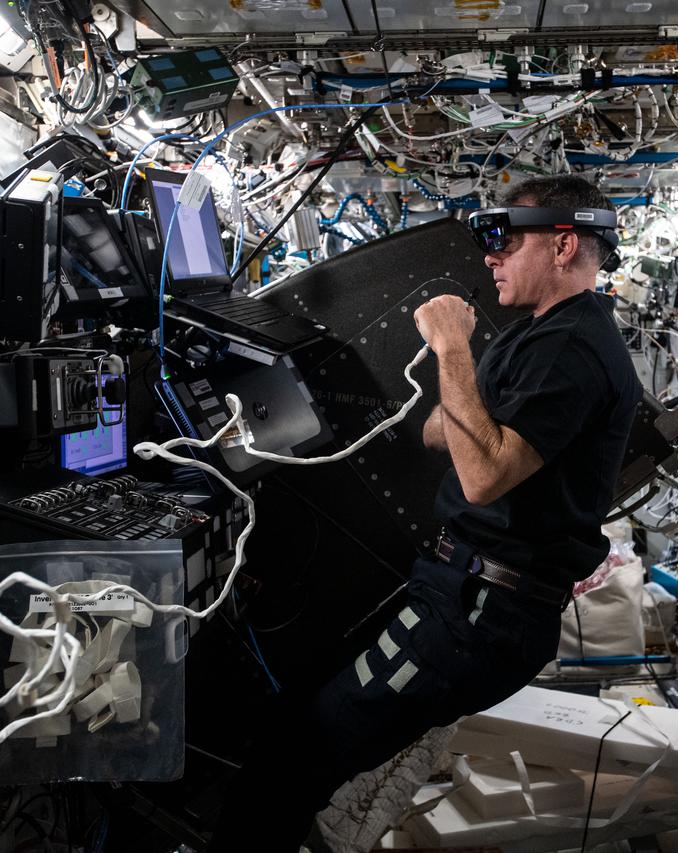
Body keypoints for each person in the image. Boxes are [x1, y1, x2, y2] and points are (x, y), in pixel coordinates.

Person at [211, 174, 640, 850]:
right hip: (459, 591)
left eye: (503, 237)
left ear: (563, 245)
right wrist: (468, 388)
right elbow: (443, 429)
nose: (489, 255)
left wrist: (452, 346)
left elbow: (483, 473)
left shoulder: (573, 348)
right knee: (298, 731)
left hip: (478, 613)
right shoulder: (541, 334)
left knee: (296, 760)